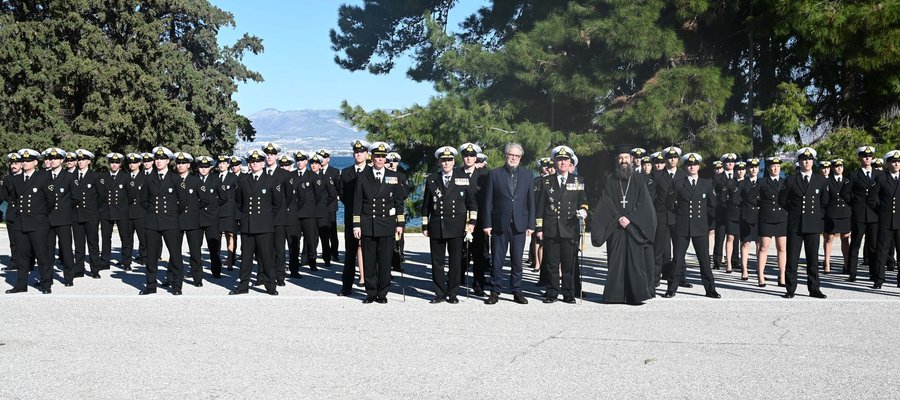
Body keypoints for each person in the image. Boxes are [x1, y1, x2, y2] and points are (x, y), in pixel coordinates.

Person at [589, 145, 656, 304]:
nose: (623, 161)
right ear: (616, 160)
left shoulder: (639, 179)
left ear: (631, 159)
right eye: (620, 158)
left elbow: (644, 202)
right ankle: (615, 295)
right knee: (616, 261)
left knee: (635, 262)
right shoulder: (610, 178)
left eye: (626, 158)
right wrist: (619, 217)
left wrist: (630, 218)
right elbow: (606, 200)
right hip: (615, 226)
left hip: (633, 226)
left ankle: (635, 296)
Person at [421, 146, 477, 303]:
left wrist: (471, 223)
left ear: (453, 161)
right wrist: (425, 225)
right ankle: (439, 292)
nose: (446, 163)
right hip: (437, 225)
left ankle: (452, 293)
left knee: (455, 262)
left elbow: (472, 203)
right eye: (443, 160)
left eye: (449, 160)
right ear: (439, 162)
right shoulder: (432, 179)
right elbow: (425, 205)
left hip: (456, 226)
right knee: (437, 262)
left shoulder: (463, 178)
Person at [352, 142, 406, 304]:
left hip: (387, 224)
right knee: (369, 261)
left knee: (384, 261)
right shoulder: (363, 176)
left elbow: (398, 202)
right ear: (372, 157)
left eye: (383, 157)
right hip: (368, 223)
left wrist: (400, 224)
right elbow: (357, 202)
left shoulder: (393, 176)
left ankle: (382, 293)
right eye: (377, 156)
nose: (380, 159)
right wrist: (356, 224)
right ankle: (371, 292)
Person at [482, 142, 535, 305]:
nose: (513, 158)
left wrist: (531, 225)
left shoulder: (527, 175)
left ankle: (517, 291)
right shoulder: (494, 174)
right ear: (506, 155)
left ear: (520, 158)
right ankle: (495, 291)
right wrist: (487, 223)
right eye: (511, 155)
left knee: (517, 260)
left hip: (520, 223)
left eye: (517, 155)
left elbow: (531, 202)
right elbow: (488, 201)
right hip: (499, 224)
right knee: (497, 260)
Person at [661, 153, 719, 298]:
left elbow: (713, 205)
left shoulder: (706, 183)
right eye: (689, 165)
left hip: (700, 227)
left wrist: (708, 223)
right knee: (678, 259)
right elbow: (669, 203)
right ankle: (671, 288)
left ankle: (710, 289)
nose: (692, 167)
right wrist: (679, 216)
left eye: (694, 164)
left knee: (704, 259)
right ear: (685, 167)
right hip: (682, 226)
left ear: (699, 166)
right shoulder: (678, 183)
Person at [535, 146, 588, 303]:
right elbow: (540, 207)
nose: (562, 163)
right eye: (559, 160)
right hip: (551, 227)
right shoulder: (546, 181)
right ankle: (552, 293)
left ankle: (569, 293)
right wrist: (539, 228)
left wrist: (583, 211)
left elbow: (583, 201)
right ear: (555, 162)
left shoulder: (578, 181)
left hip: (569, 227)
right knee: (551, 263)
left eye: (565, 160)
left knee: (569, 264)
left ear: (570, 162)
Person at [229, 149, 281, 296]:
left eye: (258, 161)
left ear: (263, 163)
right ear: (249, 164)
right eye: (252, 161)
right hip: (247, 225)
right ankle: (243, 285)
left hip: (264, 225)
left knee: (266, 257)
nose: (255, 163)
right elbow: (238, 202)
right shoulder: (243, 180)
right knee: (246, 258)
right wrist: (241, 220)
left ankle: (270, 285)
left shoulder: (271, 180)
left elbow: (277, 204)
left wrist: (267, 218)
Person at [780, 147, 829, 299]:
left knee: (813, 259)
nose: (806, 162)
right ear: (799, 161)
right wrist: (795, 212)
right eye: (803, 159)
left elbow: (824, 201)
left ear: (813, 162)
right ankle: (790, 289)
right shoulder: (790, 180)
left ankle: (814, 289)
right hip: (795, 225)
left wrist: (814, 215)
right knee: (792, 259)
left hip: (813, 224)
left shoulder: (820, 180)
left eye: (809, 159)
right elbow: (782, 200)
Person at [5, 149, 54, 294]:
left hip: (38, 223)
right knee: (22, 256)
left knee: (42, 254)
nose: (24, 163)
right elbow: (13, 199)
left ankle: (46, 284)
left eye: (27, 161)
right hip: (20, 222)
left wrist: (40, 214)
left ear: (35, 162)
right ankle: (21, 284)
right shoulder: (16, 179)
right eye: (23, 161)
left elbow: (50, 200)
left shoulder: (44, 177)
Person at [139, 146, 184, 295]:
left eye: (162, 159)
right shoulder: (148, 178)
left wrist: (171, 214)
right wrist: (152, 213)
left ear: (168, 161)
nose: (158, 161)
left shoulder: (176, 178)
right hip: (152, 222)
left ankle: (176, 286)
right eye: (156, 159)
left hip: (170, 222)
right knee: (151, 256)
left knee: (175, 255)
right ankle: (151, 285)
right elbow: (143, 200)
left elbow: (183, 202)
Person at [457, 142, 491, 296]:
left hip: (478, 221)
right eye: (466, 155)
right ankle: (457, 281)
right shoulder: (456, 173)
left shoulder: (484, 175)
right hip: (459, 220)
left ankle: (478, 284)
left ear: (476, 158)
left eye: (471, 156)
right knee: (459, 253)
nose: (469, 158)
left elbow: (489, 199)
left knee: (479, 254)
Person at [338, 140, 371, 295]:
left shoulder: (371, 172)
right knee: (350, 254)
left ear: (366, 154)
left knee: (370, 253)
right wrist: (353, 207)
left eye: (361, 152)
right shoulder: (346, 173)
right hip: (351, 218)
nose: (359, 154)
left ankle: (371, 287)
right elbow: (342, 193)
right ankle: (346, 287)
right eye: (356, 152)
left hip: (369, 218)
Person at [652, 146, 686, 289]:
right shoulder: (657, 175)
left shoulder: (683, 175)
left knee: (679, 250)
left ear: (678, 160)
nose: (672, 159)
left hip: (678, 216)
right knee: (658, 250)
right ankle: (654, 281)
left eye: (674, 157)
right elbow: (652, 196)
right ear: (665, 159)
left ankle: (680, 278)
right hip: (661, 215)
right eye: (669, 157)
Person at [846, 146, 881, 281]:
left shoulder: (879, 175)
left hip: (874, 214)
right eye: (865, 156)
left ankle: (873, 273)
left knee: (873, 246)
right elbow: (845, 192)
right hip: (859, 214)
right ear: (859, 158)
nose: (867, 158)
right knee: (855, 243)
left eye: (870, 156)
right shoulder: (854, 175)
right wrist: (854, 203)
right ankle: (852, 272)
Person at [44, 148, 77, 285]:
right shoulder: (43, 176)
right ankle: (47, 278)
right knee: (47, 250)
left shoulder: (69, 177)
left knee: (66, 249)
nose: (52, 161)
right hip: (47, 218)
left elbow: (76, 198)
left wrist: (65, 209)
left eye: (55, 159)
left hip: (63, 218)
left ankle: (68, 278)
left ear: (62, 160)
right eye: (50, 158)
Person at [263, 143, 293, 286]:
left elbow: (288, 195)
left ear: (276, 156)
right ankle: (263, 275)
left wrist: (282, 209)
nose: (269, 156)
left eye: (272, 154)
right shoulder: (260, 172)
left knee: (279, 249)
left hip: (280, 217)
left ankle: (279, 276)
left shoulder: (285, 174)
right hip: (263, 217)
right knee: (264, 248)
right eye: (267, 154)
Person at [757, 156, 788, 287]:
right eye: (773, 166)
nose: (776, 168)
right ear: (768, 168)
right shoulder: (762, 182)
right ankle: (760, 275)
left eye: (778, 166)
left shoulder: (784, 182)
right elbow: (753, 198)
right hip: (766, 218)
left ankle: (782, 276)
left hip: (782, 218)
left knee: (782, 248)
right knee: (764, 247)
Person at [871, 150, 900, 289]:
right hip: (886, 220)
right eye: (893, 162)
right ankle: (879, 279)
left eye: (898, 162)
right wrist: (882, 211)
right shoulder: (882, 178)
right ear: (888, 164)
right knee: (882, 251)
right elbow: (871, 199)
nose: (896, 164)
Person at [196, 156, 227, 279]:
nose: (203, 170)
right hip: (197, 217)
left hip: (212, 218)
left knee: (213, 247)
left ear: (210, 168)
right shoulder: (194, 180)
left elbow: (223, 197)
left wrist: (213, 205)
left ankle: (216, 271)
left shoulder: (216, 180)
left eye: (206, 167)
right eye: (201, 167)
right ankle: (196, 271)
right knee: (195, 247)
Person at [99, 153, 130, 271]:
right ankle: (105, 262)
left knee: (125, 237)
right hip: (107, 211)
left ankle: (126, 262)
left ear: (120, 164)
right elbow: (100, 194)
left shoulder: (125, 177)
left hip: (121, 211)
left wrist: (124, 206)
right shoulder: (103, 177)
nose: (114, 165)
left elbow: (131, 194)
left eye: (117, 163)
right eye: (112, 162)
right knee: (106, 238)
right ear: (109, 164)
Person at [823, 159, 851, 275]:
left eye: (841, 166)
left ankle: (846, 264)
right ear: (833, 168)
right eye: (837, 166)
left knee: (845, 239)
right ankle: (827, 263)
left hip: (845, 213)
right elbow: (824, 199)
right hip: (832, 213)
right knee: (829, 239)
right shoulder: (827, 181)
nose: (839, 168)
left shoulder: (847, 181)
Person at [713, 153, 738, 271]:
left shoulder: (738, 176)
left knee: (734, 236)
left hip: (735, 211)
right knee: (720, 236)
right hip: (721, 210)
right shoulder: (717, 177)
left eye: (732, 161)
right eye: (728, 162)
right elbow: (712, 194)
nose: (730, 163)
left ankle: (734, 260)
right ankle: (717, 260)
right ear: (723, 163)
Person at [737, 158, 761, 281]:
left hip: (759, 216)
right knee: (745, 243)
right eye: (751, 167)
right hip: (746, 216)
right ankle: (744, 269)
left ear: (759, 169)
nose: (753, 169)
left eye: (756, 167)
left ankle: (759, 269)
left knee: (759, 243)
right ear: (748, 169)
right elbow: (738, 200)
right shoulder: (742, 183)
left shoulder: (762, 182)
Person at [123, 153, 146, 271]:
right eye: (130, 162)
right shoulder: (125, 177)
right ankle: (126, 262)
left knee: (143, 238)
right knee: (127, 239)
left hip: (141, 213)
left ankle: (144, 258)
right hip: (127, 213)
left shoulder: (144, 177)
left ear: (139, 164)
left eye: (135, 162)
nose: (132, 164)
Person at [318, 149, 342, 264]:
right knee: (322, 231)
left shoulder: (334, 172)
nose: (322, 160)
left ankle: (335, 253)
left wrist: (337, 196)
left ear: (328, 159)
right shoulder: (315, 171)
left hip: (331, 206)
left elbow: (338, 188)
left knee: (332, 231)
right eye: (320, 157)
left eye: (324, 157)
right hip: (319, 206)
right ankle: (325, 254)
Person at [216, 155, 238, 271]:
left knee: (230, 236)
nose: (221, 165)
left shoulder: (233, 177)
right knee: (217, 237)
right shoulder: (215, 177)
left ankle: (230, 261)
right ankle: (217, 261)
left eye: (224, 163)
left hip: (229, 211)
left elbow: (238, 195)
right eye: (220, 163)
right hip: (217, 211)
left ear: (228, 165)